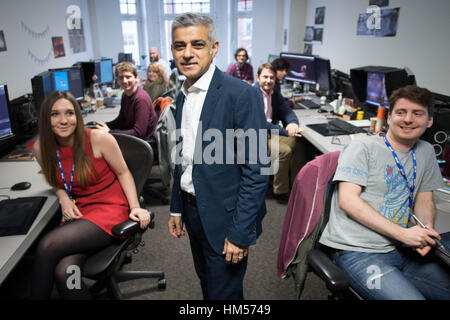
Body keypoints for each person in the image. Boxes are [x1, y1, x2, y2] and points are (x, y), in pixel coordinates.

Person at [167, 12, 269, 300]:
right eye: (179, 46)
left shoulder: (241, 94)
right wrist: (177, 206)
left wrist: (240, 233)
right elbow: (182, 157)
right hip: (192, 210)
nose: (187, 53)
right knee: (207, 285)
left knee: (225, 295)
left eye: (197, 44)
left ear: (214, 48)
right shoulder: (182, 94)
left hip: (227, 218)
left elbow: (257, 171)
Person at [319, 85, 450, 300]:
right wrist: (405, 234)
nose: (408, 119)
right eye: (401, 112)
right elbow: (348, 201)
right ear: (389, 118)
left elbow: (424, 199)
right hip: (359, 251)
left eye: (417, 113)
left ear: (430, 121)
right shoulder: (363, 147)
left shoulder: (425, 151)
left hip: (402, 249)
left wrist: (425, 233)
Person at [30, 91, 151, 299]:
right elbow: (54, 179)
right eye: (55, 114)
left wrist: (135, 207)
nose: (63, 120)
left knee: (47, 246)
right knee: (66, 273)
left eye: (69, 113)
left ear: (78, 115)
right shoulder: (41, 149)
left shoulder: (98, 139)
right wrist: (63, 196)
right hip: (81, 212)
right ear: (45, 119)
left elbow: (124, 173)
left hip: (110, 209)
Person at [255, 63, 307, 203]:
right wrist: (284, 131)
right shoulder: (251, 94)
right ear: (258, 77)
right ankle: (281, 190)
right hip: (255, 137)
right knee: (284, 150)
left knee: (299, 142)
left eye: (271, 77)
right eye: (265, 77)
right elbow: (260, 123)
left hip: (270, 134)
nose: (268, 80)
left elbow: (287, 111)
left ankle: (297, 185)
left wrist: (292, 124)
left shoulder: (274, 93)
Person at [96, 62, 157, 140]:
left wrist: (110, 132)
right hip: (134, 140)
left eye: (128, 77)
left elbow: (139, 133)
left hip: (143, 144)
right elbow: (121, 120)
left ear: (136, 77)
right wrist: (105, 125)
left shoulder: (141, 99)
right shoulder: (125, 95)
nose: (124, 81)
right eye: (121, 77)